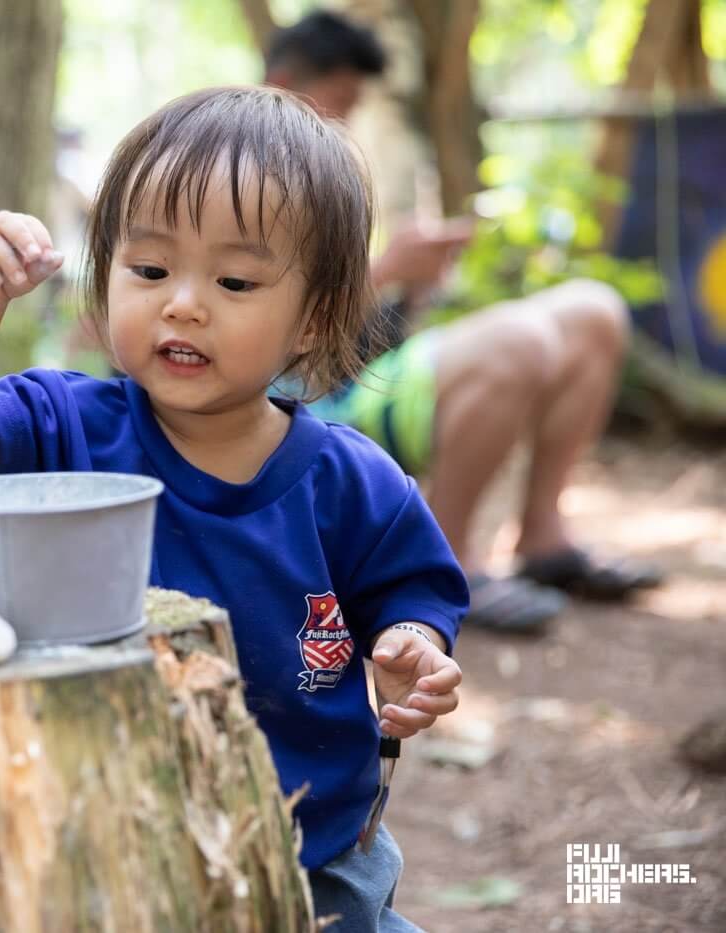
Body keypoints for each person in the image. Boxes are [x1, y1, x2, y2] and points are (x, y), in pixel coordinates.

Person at [0, 85, 467, 932]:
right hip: (97, 849)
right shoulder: (66, 426)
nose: (183, 302)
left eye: (235, 279)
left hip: (310, 858)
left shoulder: (351, 481)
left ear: (314, 318)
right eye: (149, 269)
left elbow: (415, 594)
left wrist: (410, 646)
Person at [264, 11, 661, 634]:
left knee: (593, 311)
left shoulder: (326, 169)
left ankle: (544, 539)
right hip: (299, 410)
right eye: (339, 101)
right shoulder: (237, 172)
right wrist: (386, 269)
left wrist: (411, 289)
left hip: (358, 381)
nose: (347, 120)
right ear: (284, 83)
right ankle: (443, 565)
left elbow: (354, 337)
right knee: (518, 341)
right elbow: (260, 331)